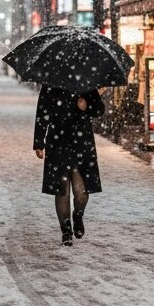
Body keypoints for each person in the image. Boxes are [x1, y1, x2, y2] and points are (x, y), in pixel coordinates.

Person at [33, 85, 104, 246]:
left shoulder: (86, 83)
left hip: (82, 142)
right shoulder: (50, 84)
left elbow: (99, 110)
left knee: (82, 190)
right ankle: (66, 230)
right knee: (62, 189)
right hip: (58, 142)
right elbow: (42, 113)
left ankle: (78, 214)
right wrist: (39, 142)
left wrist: (87, 105)